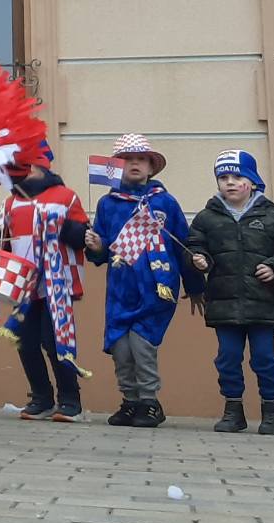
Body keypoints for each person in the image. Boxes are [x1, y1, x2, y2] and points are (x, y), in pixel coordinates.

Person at [85, 133, 202, 428]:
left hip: (156, 287)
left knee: (142, 343)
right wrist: (95, 245)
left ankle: (150, 402)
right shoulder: (107, 204)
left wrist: (196, 284)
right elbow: (102, 250)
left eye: (141, 160)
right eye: (127, 160)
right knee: (121, 347)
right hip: (120, 288)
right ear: (116, 167)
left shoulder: (164, 202)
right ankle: (130, 401)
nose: (134, 164)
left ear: (151, 168)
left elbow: (183, 246)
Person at [187, 150, 274, 436]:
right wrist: (199, 259)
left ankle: (271, 411)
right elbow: (196, 245)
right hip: (224, 303)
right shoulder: (206, 218)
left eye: (237, 176)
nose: (230, 183)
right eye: (223, 177)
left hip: (264, 304)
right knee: (227, 357)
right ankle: (233, 410)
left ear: (252, 181)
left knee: (264, 358)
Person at [1, 147, 90, 423]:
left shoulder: (65, 196)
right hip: (24, 285)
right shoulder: (10, 202)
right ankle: (41, 397)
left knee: (54, 341)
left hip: (56, 282)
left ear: (41, 168)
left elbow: (81, 234)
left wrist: (60, 226)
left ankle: (70, 400)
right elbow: (2, 238)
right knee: (25, 342)